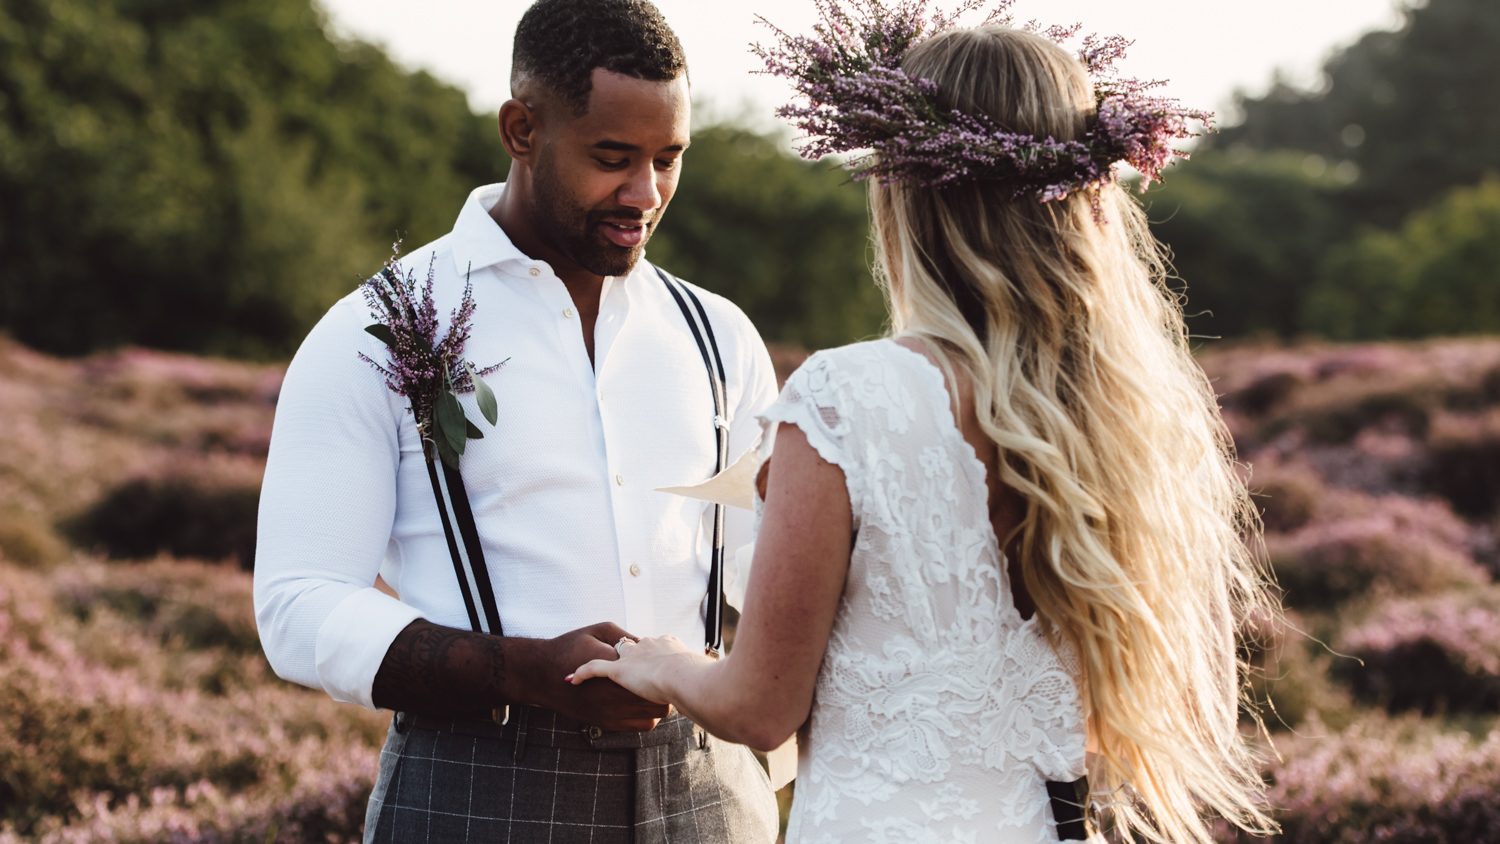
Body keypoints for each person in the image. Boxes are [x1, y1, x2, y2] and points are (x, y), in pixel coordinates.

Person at [569, 11, 1278, 844]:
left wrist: (664, 664)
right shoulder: (1137, 413)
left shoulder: (846, 397)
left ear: (905, 194)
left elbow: (761, 709)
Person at [252, 1, 780, 841]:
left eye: (669, 159)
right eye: (614, 158)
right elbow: (296, 603)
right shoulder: (375, 331)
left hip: (711, 789)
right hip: (478, 784)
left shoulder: (719, 334)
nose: (645, 194)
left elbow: (764, 567)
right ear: (521, 128)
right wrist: (527, 671)